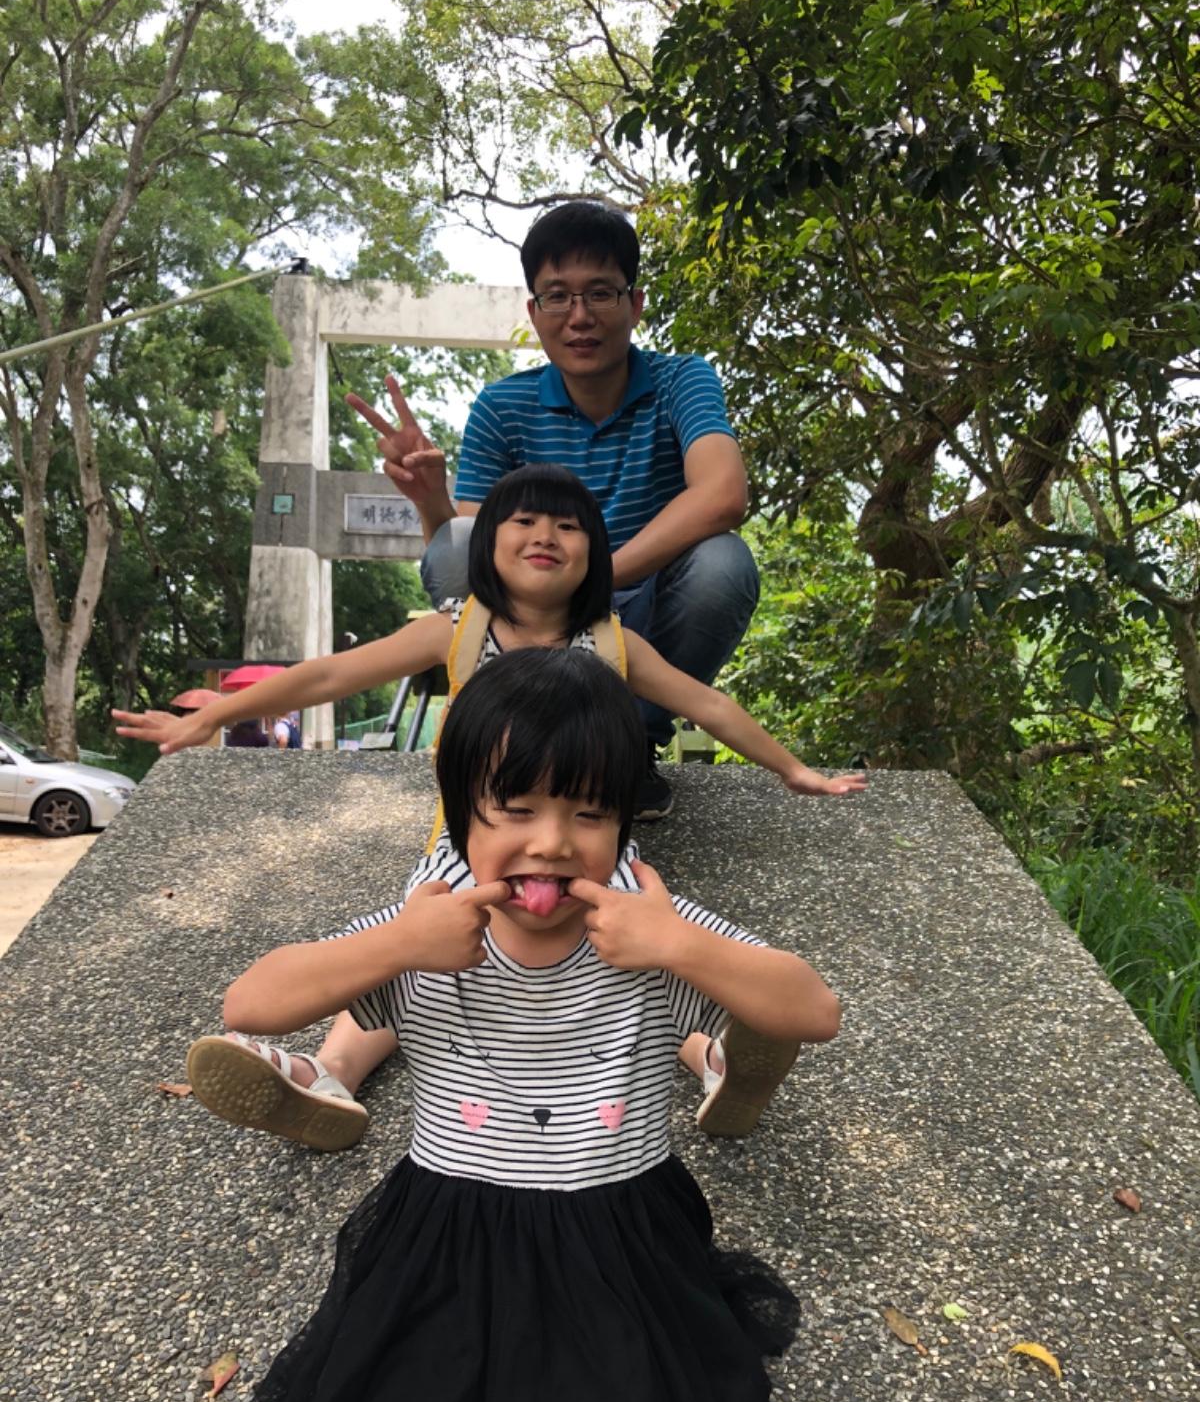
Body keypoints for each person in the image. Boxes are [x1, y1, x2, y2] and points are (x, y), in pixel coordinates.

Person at [212, 646, 840, 1402]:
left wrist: (680, 945)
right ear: (459, 811)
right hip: (444, 1252)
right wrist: (398, 942)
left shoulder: (648, 933)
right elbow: (250, 1003)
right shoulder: (427, 933)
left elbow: (814, 1010)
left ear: (624, 822)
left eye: (590, 811)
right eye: (516, 807)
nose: (552, 841)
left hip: (618, 1253)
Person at [114, 465, 863, 1151]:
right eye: (523, 520)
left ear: (597, 552)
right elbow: (331, 675)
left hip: (595, 847)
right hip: (470, 843)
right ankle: (328, 1071)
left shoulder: (615, 644)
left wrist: (794, 770)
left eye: (568, 525)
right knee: (418, 948)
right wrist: (217, 715)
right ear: (485, 544)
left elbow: (707, 704)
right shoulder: (457, 630)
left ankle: (717, 1056)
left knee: (636, 959)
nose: (546, 535)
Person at [346, 200, 757, 820]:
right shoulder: (502, 407)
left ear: (635, 303)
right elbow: (472, 564)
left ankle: (627, 747)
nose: (580, 317)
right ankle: (514, 741)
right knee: (460, 538)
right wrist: (430, 498)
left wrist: (597, 578)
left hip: (644, 605)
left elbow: (723, 492)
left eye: (601, 293)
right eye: (558, 297)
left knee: (724, 565)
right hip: (539, 614)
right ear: (534, 312)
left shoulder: (682, 382)